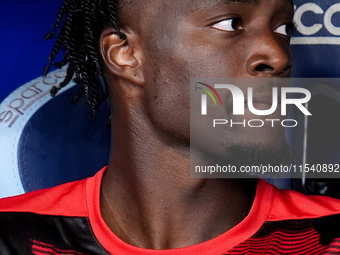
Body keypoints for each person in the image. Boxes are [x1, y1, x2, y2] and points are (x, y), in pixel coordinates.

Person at [1, 0, 340, 254]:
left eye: (283, 29)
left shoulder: (328, 239)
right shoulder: (14, 236)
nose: (278, 56)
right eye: (230, 23)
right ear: (125, 54)